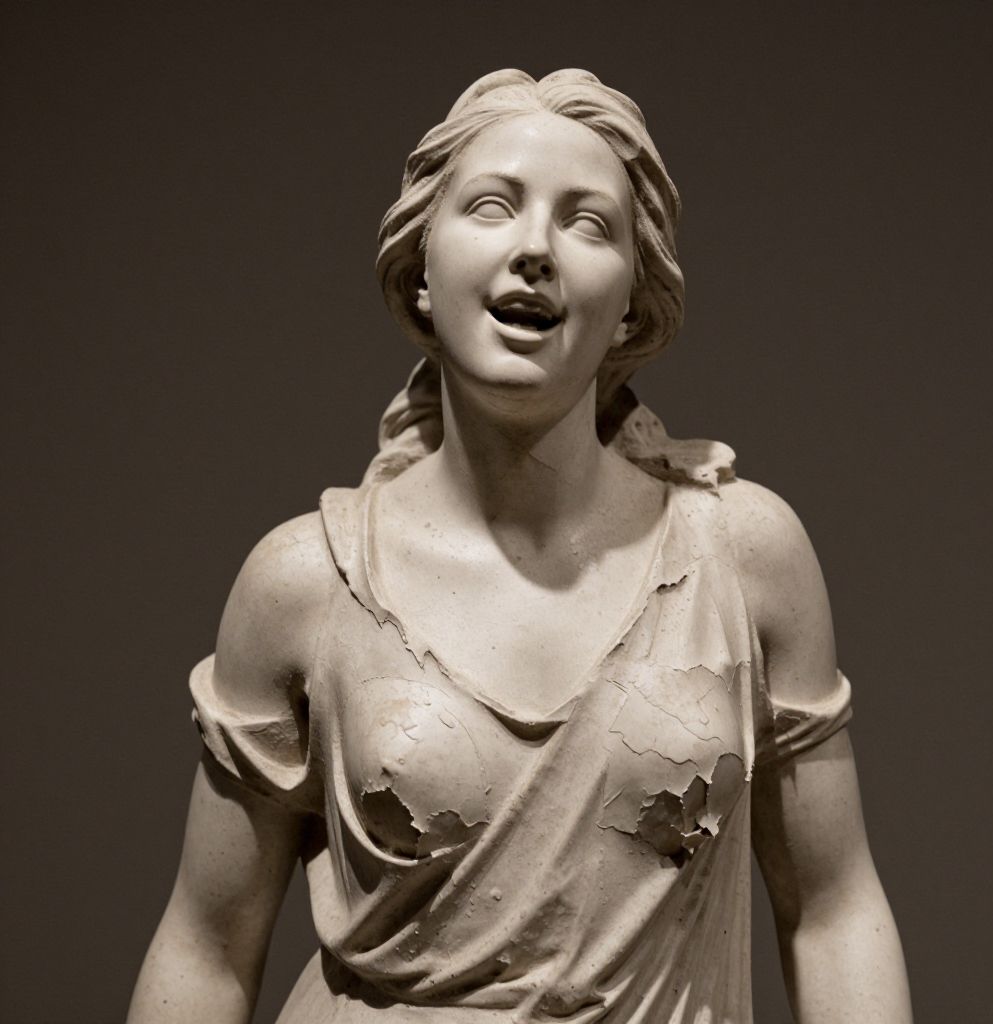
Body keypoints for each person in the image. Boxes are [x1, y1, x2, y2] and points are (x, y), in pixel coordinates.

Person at [127, 69, 913, 1023]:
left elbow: (833, 914)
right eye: (494, 207)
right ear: (422, 270)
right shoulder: (307, 584)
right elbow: (207, 950)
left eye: (587, 224)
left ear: (632, 302)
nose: (535, 249)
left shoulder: (743, 556)